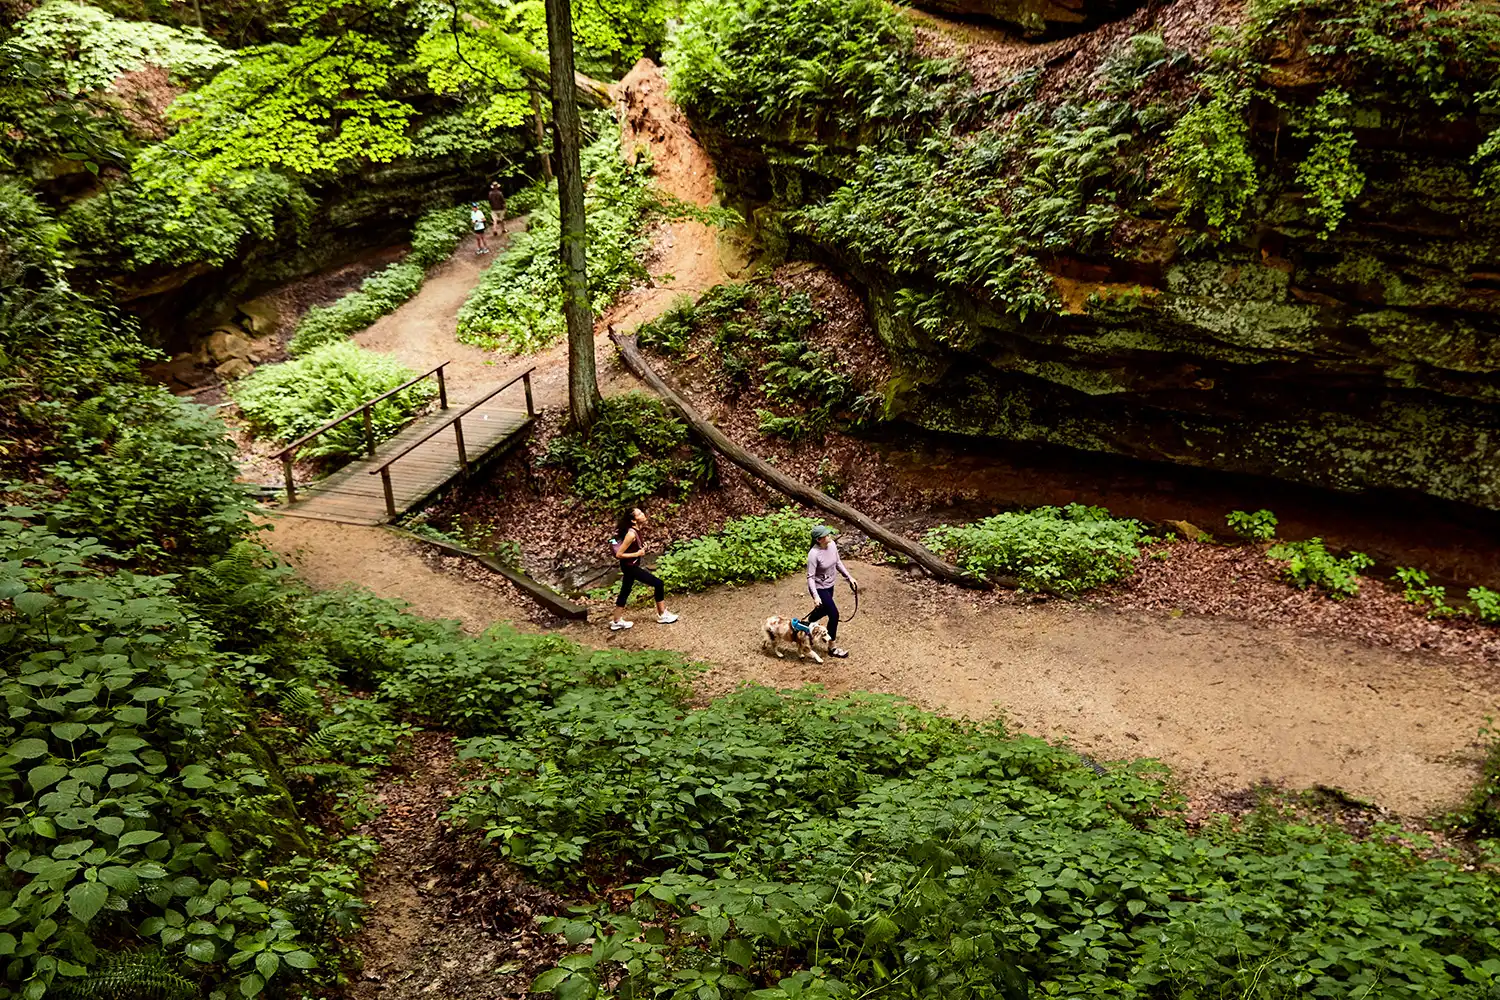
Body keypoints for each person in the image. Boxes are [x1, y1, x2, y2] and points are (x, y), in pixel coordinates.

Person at [610, 507, 678, 631]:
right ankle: (662, 614)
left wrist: (640, 549)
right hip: (630, 567)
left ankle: (616, 621)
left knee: (625, 591)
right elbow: (619, 554)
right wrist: (637, 554)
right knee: (658, 583)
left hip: (630, 566)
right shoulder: (631, 534)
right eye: (639, 514)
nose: (643, 514)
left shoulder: (635, 530)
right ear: (633, 520)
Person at [801, 525, 856, 658]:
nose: (829, 536)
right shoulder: (813, 554)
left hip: (830, 585)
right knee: (834, 614)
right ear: (819, 539)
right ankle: (832, 648)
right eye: (826, 535)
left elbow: (837, 562)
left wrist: (849, 577)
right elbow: (810, 577)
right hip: (820, 587)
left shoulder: (832, 545)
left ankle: (808, 624)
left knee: (824, 610)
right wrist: (815, 596)